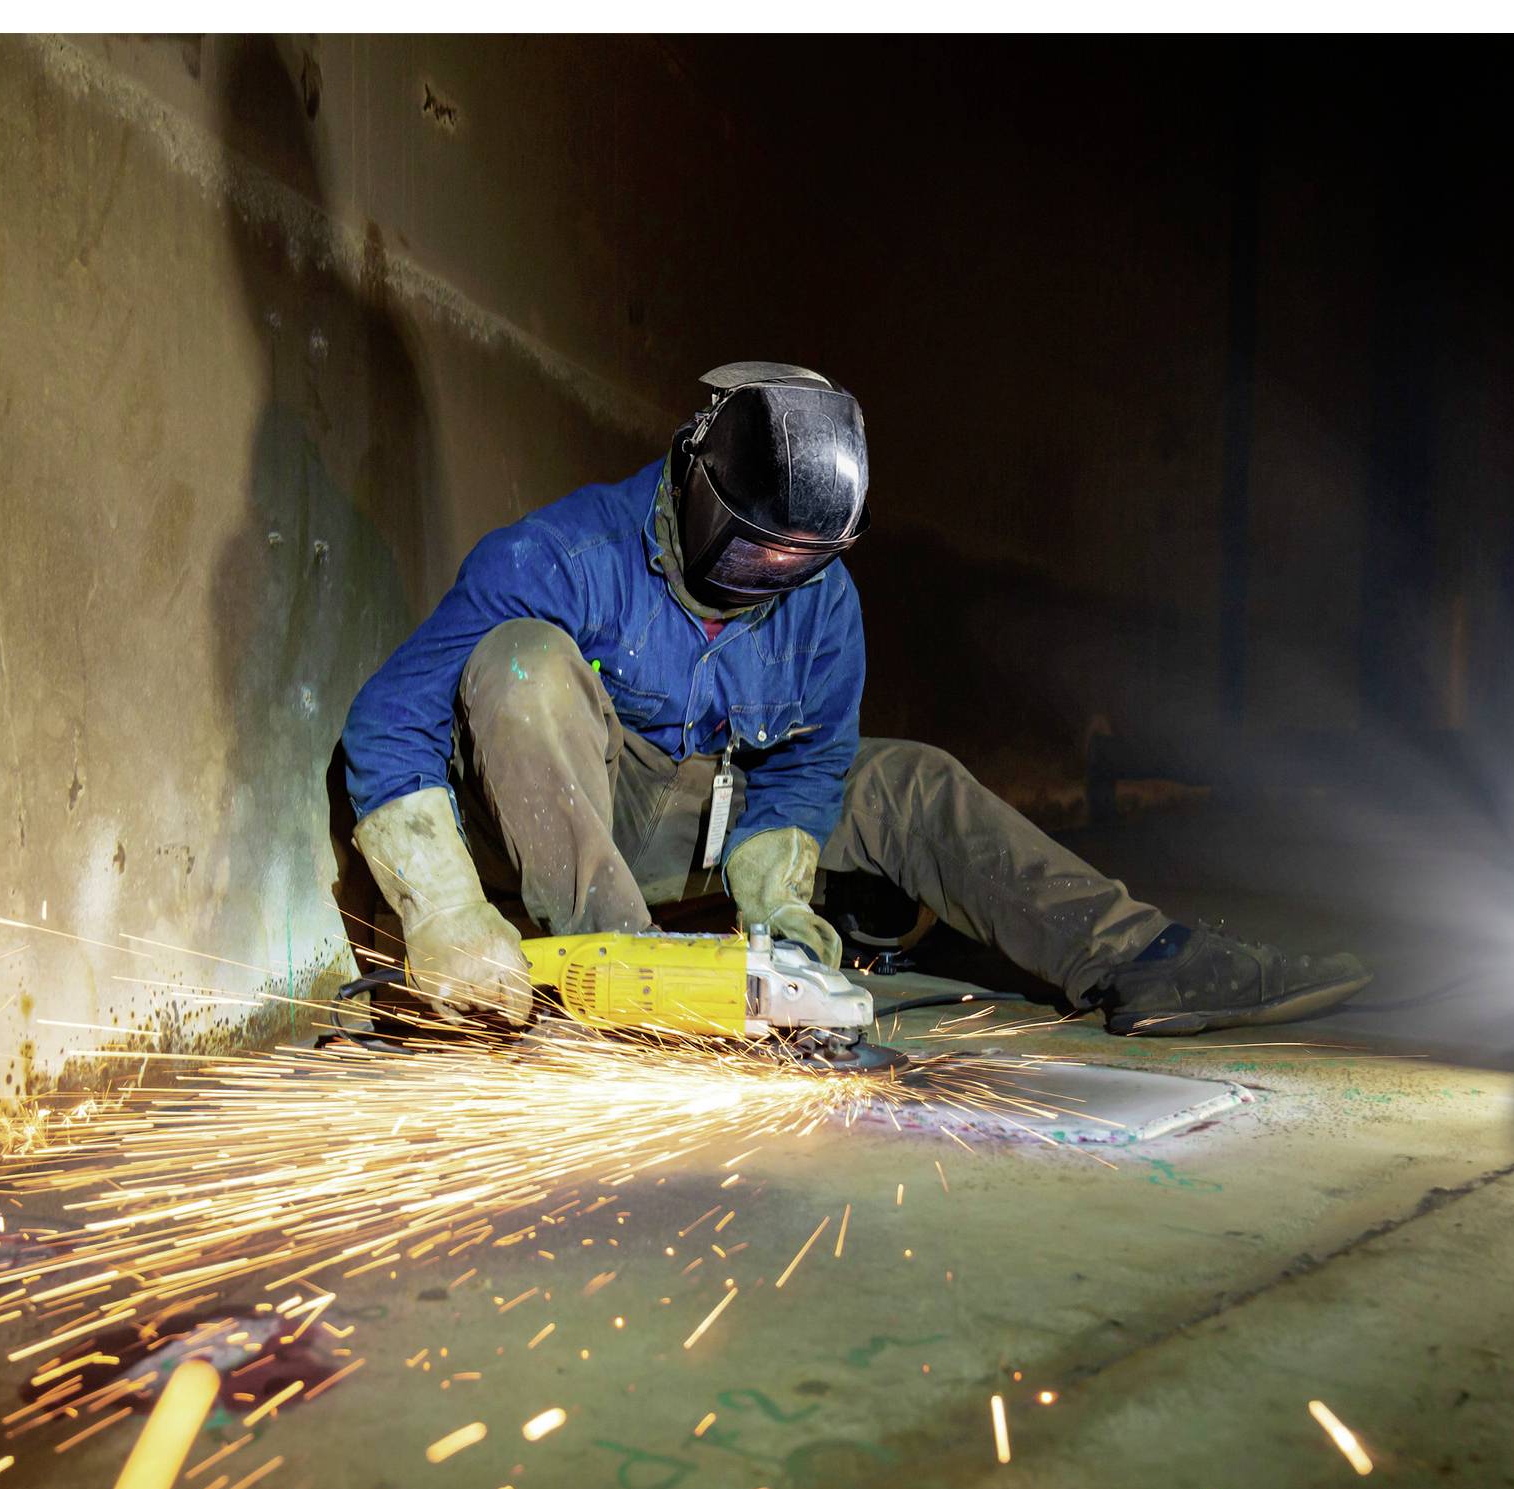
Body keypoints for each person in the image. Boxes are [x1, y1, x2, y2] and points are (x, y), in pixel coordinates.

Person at [338, 362, 1371, 1036]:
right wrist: (448, 913)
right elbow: (389, 724)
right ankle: (632, 998)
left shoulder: (822, 601)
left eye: (799, 558)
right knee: (521, 661)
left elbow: (813, 762)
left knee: (909, 779)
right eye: (750, 548)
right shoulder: (559, 554)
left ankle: (1137, 954)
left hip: (699, 822)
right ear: (696, 485)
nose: (768, 575)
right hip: (561, 826)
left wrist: (776, 894)